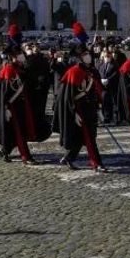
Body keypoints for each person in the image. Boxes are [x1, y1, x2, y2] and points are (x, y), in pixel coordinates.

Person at [53, 44, 106, 172]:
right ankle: (97, 163)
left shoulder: (93, 71)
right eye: (84, 55)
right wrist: (74, 112)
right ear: (79, 58)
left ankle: (68, 158)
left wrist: (99, 108)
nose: (88, 57)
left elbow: (96, 91)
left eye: (88, 54)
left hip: (91, 109)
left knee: (81, 137)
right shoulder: (74, 72)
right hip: (80, 110)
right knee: (89, 139)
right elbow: (67, 96)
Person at [0, 46, 38, 164]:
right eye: (19, 54)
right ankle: (26, 156)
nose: (22, 56)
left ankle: (4, 151)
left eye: (21, 54)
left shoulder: (21, 68)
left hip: (22, 104)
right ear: (13, 57)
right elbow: (5, 92)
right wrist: (5, 108)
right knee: (19, 131)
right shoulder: (8, 70)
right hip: (12, 105)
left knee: (15, 131)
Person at [96, 48, 119, 125]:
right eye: (105, 56)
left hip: (110, 86)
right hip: (102, 86)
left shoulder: (114, 64)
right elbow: (98, 73)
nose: (106, 57)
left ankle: (108, 117)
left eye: (108, 56)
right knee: (103, 102)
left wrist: (108, 80)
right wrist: (101, 80)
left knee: (109, 102)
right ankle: (104, 117)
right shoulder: (101, 64)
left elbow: (115, 74)